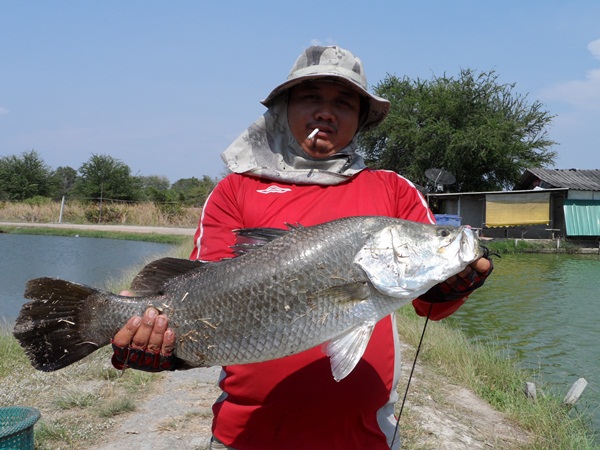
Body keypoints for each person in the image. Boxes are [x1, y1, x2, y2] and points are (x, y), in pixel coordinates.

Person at [111, 45, 493, 450]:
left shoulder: (394, 190)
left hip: (365, 437)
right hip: (246, 436)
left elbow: (431, 307)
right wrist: (165, 349)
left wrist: (454, 282)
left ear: (361, 119)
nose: (326, 112)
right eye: (312, 97)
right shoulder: (235, 189)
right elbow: (202, 298)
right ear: (284, 108)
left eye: (343, 103)